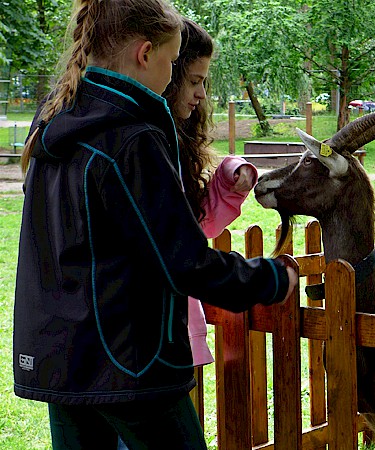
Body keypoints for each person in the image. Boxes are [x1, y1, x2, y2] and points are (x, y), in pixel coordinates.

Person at [12, 1, 297, 449]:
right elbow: (185, 262)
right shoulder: (132, 137)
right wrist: (273, 278)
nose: (173, 73)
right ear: (145, 54)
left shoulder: (55, 119)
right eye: (171, 58)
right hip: (130, 365)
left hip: (61, 358)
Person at [164, 18, 256, 368]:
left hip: (171, 332)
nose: (202, 94)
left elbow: (197, 224)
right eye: (194, 81)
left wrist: (229, 176)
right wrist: (267, 279)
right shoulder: (146, 142)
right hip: (149, 340)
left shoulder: (179, 142)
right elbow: (181, 248)